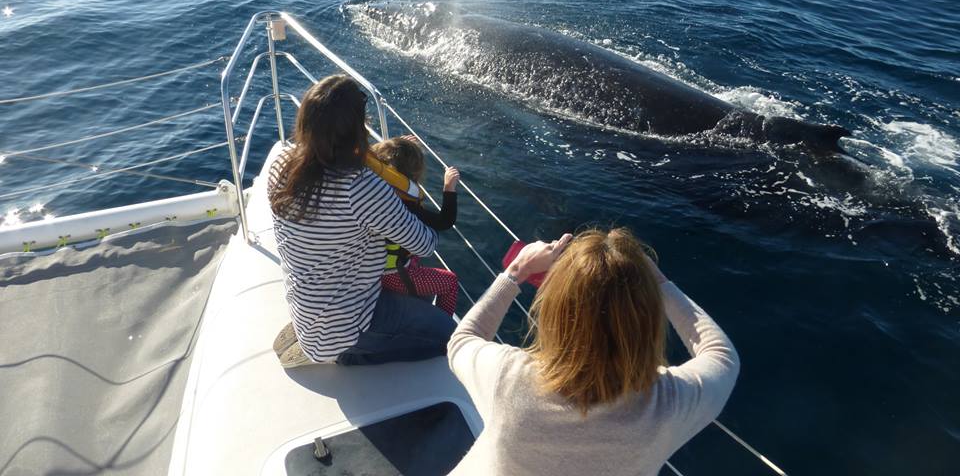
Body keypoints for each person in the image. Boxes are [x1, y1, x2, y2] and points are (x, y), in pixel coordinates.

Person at [447, 227, 740, 476]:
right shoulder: (667, 406)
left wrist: (517, 271)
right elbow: (721, 355)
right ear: (649, 322)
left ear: (553, 312)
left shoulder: (507, 380)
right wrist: (657, 280)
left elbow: (462, 340)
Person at [267, 75, 455, 367]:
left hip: (307, 305)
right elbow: (424, 244)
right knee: (450, 337)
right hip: (350, 324)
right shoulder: (361, 186)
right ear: (356, 129)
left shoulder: (282, 164)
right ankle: (350, 354)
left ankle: (319, 337)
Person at [369, 137, 461, 315]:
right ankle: (443, 330)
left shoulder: (373, 190)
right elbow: (445, 221)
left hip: (373, 267)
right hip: (392, 275)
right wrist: (449, 187)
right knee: (450, 282)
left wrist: (397, 145)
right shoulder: (406, 205)